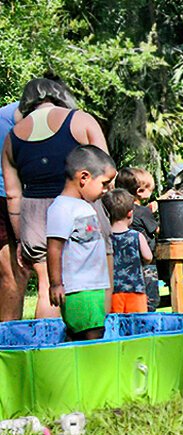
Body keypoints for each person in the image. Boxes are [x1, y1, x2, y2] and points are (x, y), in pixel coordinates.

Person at [3, 78, 109, 320]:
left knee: (46, 286)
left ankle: (47, 351)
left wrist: (21, 239)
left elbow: (12, 194)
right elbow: (105, 170)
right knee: (95, 278)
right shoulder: (80, 120)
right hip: (82, 207)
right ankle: (97, 343)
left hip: (35, 215)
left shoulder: (13, 137)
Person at [46, 146, 115, 340]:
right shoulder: (62, 208)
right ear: (84, 177)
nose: (106, 190)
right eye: (104, 183)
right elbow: (53, 248)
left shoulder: (83, 206)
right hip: (79, 289)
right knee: (91, 336)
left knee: (85, 334)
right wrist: (56, 284)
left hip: (92, 287)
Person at [114, 168, 161, 312]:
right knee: (150, 299)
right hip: (146, 263)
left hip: (123, 264)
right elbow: (157, 231)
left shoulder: (117, 210)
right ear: (140, 191)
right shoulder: (143, 212)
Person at [104, 189, 151, 314]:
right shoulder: (137, 236)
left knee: (115, 324)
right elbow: (148, 256)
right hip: (135, 290)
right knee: (137, 324)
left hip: (111, 292)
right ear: (130, 214)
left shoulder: (104, 239)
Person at [0, 100, 20, 321]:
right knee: (12, 273)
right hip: (5, 198)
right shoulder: (12, 121)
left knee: (15, 273)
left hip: (9, 196)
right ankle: (8, 338)